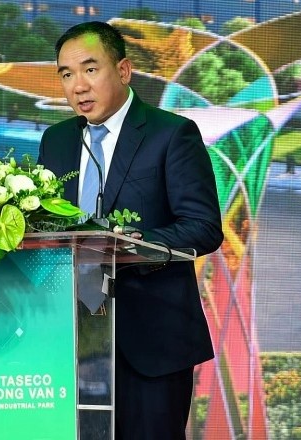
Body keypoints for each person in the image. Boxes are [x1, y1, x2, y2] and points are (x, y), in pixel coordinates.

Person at [37, 21, 223, 440]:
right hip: (69, 339)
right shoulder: (57, 140)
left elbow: (203, 226)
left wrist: (137, 247)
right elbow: (46, 227)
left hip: (150, 343)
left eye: (89, 69)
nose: (78, 86)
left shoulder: (172, 134)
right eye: (66, 74)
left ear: (123, 71)